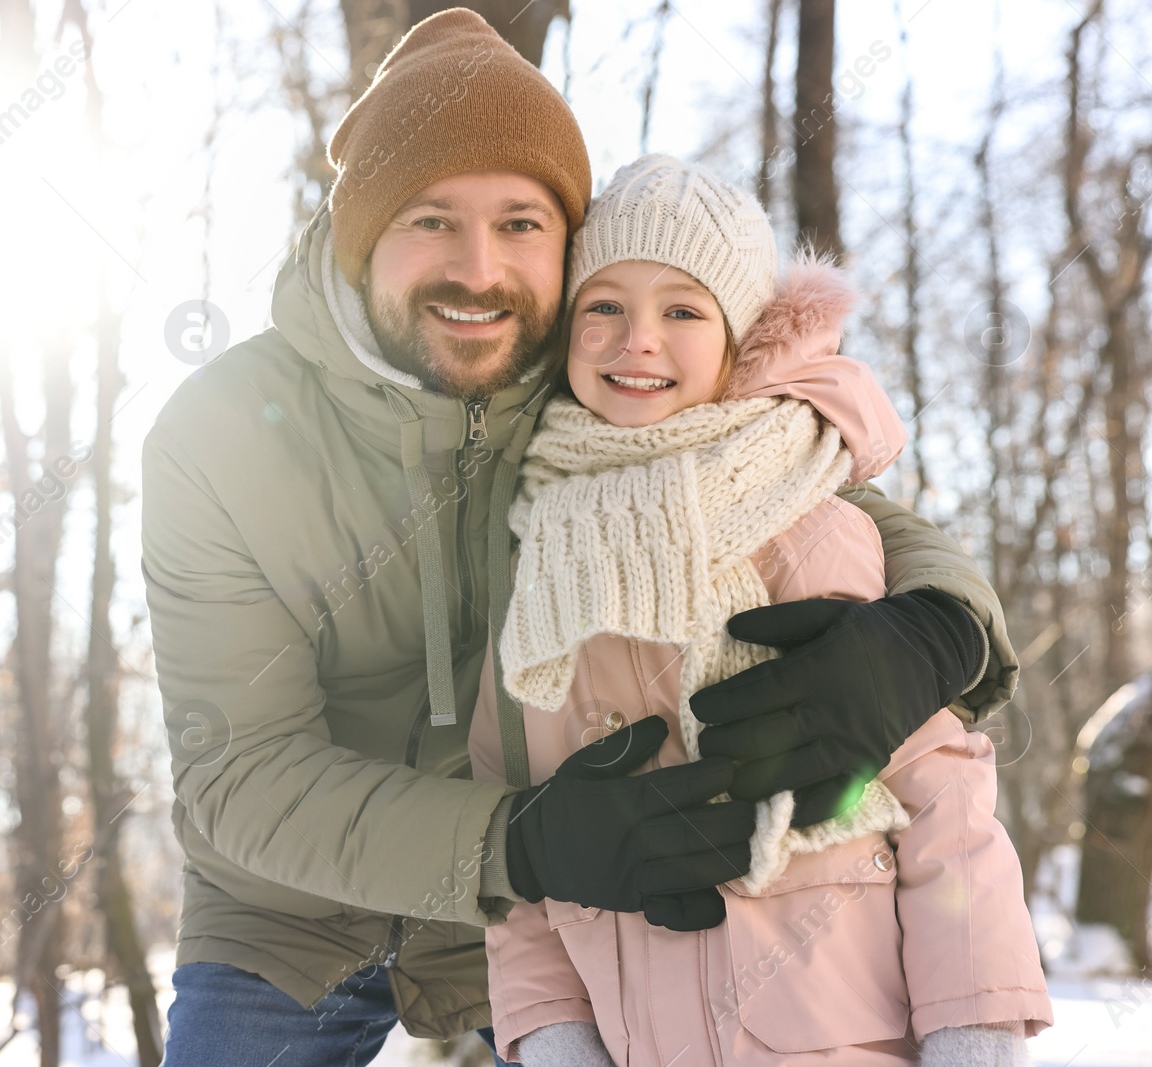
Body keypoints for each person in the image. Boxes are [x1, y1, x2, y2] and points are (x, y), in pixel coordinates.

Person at [143, 9, 1018, 1065]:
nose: (478, 268)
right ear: (359, 232)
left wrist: (937, 631)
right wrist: (518, 840)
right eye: (429, 218)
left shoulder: (596, 379)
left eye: (520, 222)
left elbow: (810, 489)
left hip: (564, 910)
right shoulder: (220, 432)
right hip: (300, 910)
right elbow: (238, 769)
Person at [470, 154, 1052, 1067]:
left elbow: (943, 801)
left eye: (683, 310)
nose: (638, 340)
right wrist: (552, 1040)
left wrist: (971, 1034)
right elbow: (515, 844)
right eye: (605, 306)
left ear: (743, 341)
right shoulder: (533, 563)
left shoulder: (808, 528)